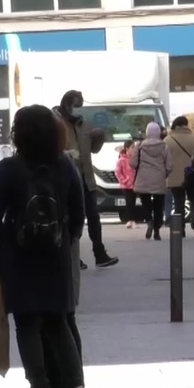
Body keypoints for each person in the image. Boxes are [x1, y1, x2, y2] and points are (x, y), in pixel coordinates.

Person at [0, 104, 87, 388]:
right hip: (55, 256)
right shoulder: (65, 166)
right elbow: (78, 212)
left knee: (27, 324)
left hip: (19, 257)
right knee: (59, 323)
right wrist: (66, 240)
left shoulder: (8, 168)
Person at [55, 90, 118, 268]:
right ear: (67, 105)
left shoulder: (83, 124)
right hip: (68, 180)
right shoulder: (57, 123)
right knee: (74, 219)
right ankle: (74, 257)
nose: (77, 111)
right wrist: (67, 155)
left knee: (94, 218)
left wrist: (99, 139)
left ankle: (100, 253)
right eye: (75, 106)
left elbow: (93, 150)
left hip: (87, 179)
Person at [132, 122, 172, 241]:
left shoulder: (140, 146)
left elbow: (133, 163)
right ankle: (157, 230)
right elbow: (170, 165)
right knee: (159, 205)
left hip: (143, 178)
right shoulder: (164, 146)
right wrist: (164, 174)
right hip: (159, 178)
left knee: (145, 202)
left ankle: (149, 220)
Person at [165, 116, 194, 237]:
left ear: (175, 126)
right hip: (192, 175)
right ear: (186, 125)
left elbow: (165, 159)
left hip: (174, 176)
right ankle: (193, 217)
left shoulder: (168, 140)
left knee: (178, 203)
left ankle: (180, 228)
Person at [114, 140, 139, 229]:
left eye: (134, 147)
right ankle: (131, 220)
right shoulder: (121, 160)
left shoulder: (135, 159)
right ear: (127, 148)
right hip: (126, 185)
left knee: (132, 202)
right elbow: (117, 172)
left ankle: (131, 220)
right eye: (132, 147)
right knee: (129, 202)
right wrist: (124, 180)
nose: (133, 149)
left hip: (134, 184)